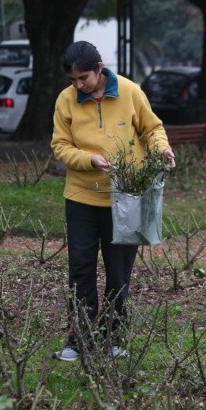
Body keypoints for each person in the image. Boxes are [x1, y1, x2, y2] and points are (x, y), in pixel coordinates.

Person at [50, 41, 176, 362]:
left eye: (84, 78)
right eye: (73, 80)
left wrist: (162, 148)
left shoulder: (131, 92)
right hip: (81, 198)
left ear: (100, 69)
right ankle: (79, 338)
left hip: (127, 196)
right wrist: (89, 159)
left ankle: (113, 336)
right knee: (81, 268)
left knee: (119, 271)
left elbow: (152, 128)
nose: (78, 85)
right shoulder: (66, 101)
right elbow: (60, 146)